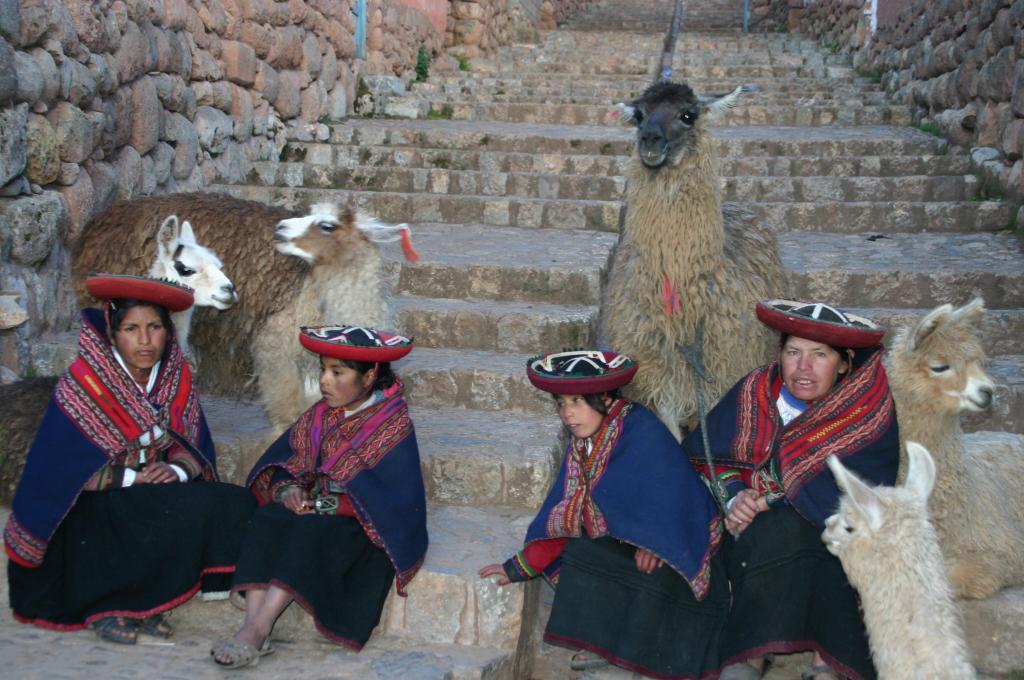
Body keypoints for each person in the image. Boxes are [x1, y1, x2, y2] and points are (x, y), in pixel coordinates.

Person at [4, 273, 257, 644]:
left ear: (167, 332)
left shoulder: (175, 377)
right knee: (112, 513)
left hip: (151, 490)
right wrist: (131, 478)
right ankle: (107, 607)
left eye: (155, 327)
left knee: (234, 501)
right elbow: (60, 471)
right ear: (113, 332)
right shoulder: (85, 382)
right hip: (94, 497)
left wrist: (174, 469)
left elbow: (192, 443)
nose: (144, 340)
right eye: (131, 328)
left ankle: (149, 601)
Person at [683, 300, 900, 680]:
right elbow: (707, 457)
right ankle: (754, 649)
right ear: (779, 355)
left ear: (845, 363)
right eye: (793, 352)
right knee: (768, 531)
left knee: (818, 532)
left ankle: (827, 657)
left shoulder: (863, 410)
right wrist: (736, 498)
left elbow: (865, 484)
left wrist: (770, 499)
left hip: (831, 533)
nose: (803, 367)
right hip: (748, 535)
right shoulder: (755, 390)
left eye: (820, 355)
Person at [480, 349, 728, 679]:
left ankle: (649, 650)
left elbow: (678, 498)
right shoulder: (583, 445)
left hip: (681, 551)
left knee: (648, 572)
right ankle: (603, 640)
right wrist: (519, 567)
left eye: (578, 402)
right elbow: (565, 514)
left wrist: (657, 546)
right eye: (562, 404)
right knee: (580, 551)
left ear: (606, 398)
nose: (568, 414)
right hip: (635, 544)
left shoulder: (641, 431)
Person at [211, 325, 428, 669]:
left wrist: (324, 506)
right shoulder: (320, 415)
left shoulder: (393, 425)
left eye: (337, 372)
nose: (324, 381)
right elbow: (286, 462)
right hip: (316, 509)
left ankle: (257, 629)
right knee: (269, 517)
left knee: (309, 530)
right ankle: (254, 626)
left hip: (362, 527)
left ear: (369, 375)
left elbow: (393, 504)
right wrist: (288, 491)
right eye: (322, 370)